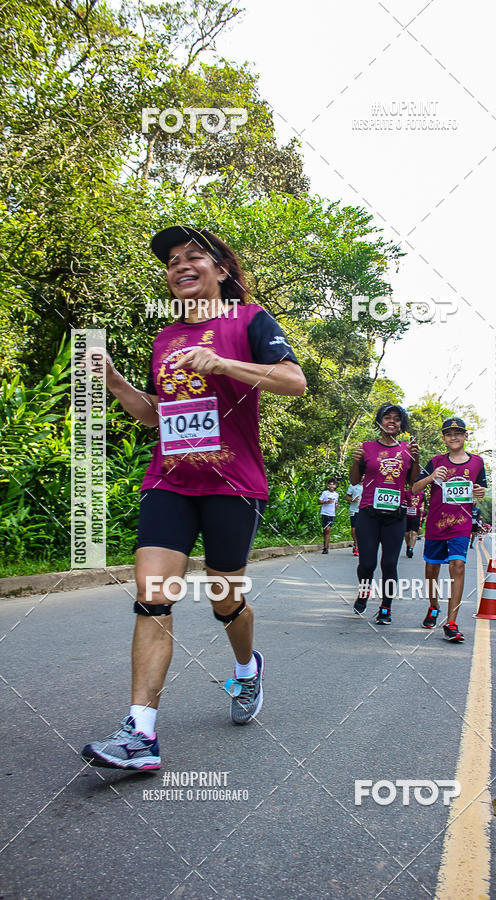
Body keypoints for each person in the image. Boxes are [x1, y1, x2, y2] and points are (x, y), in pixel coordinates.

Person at [81, 226, 306, 771]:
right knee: (153, 594)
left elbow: (294, 381)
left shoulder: (250, 321)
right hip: (170, 481)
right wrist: (115, 382)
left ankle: (247, 669)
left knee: (224, 599)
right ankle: (141, 733)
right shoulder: (165, 339)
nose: (180, 264)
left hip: (232, 484)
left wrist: (224, 364)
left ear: (221, 270)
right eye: (172, 260)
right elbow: (156, 416)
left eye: (194, 255)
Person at [412, 417, 487, 642]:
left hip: (461, 525)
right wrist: (432, 477)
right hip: (436, 524)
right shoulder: (436, 461)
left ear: (465, 436)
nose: (454, 437)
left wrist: (480, 492)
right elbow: (414, 488)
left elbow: (481, 489)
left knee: (458, 566)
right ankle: (433, 606)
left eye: (458, 433)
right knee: (431, 570)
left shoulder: (477, 462)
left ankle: (451, 622)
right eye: (449, 434)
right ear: (444, 438)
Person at [349, 404, 420, 624]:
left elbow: (412, 483)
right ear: (379, 422)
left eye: (396, 419)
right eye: (387, 417)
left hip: (395, 516)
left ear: (401, 425)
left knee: (389, 564)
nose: (392, 421)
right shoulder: (367, 447)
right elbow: (354, 480)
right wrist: (355, 461)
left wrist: (416, 460)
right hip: (368, 513)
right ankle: (364, 591)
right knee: (367, 563)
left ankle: (386, 607)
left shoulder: (408, 449)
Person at [319, 478, 339, 554]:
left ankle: (326, 548)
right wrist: (326, 502)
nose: (332, 486)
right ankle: (325, 544)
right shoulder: (325, 493)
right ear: (328, 485)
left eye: (333, 484)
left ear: (335, 486)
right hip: (324, 513)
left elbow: (335, 503)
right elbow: (319, 501)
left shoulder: (336, 494)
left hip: (331, 514)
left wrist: (337, 506)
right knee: (325, 530)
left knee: (328, 529)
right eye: (330, 484)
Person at [404, 486, 424, 557]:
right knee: (406, 533)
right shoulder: (407, 492)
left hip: (416, 515)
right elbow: (403, 501)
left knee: (414, 532)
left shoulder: (422, 493)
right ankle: (408, 546)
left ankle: (411, 549)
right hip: (407, 515)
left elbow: (423, 502)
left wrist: (422, 508)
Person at [346, 476, 364, 556]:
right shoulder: (352, 486)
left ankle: (360, 544)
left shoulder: (368, 485)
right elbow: (347, 497)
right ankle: (356, 545)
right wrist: (352, 499)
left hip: (364, 510)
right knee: (354, 528)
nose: (362, 476)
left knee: (362, 529)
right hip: (354, 510)